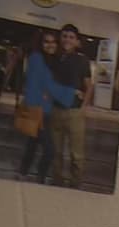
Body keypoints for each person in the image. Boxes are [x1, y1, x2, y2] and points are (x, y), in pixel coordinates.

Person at [17, 29, 80, 185]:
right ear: (41, 43)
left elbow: (47, 85)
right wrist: (73, 92)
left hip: (42, 109)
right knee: (50, 150)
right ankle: (40, 178)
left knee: (32, 145)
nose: (50, 45)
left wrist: (49, 92)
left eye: (53, 42)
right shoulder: (38, 58)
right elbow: (48, 84)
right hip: (38, 110)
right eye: (46, 41)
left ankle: (22, 173)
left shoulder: (49, 59)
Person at [50, 23, 93, 188]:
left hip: (74, 112)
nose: (67, 40)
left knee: (77, 155)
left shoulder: (82, 60)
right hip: (55, 111)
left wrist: (83, 108)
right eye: (65, 36)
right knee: (56, 153)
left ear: (76, 41)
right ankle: (57, 183)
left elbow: (89, 86)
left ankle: (76, 185)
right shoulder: (54, 58)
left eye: (71, 37)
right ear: (60, 38)